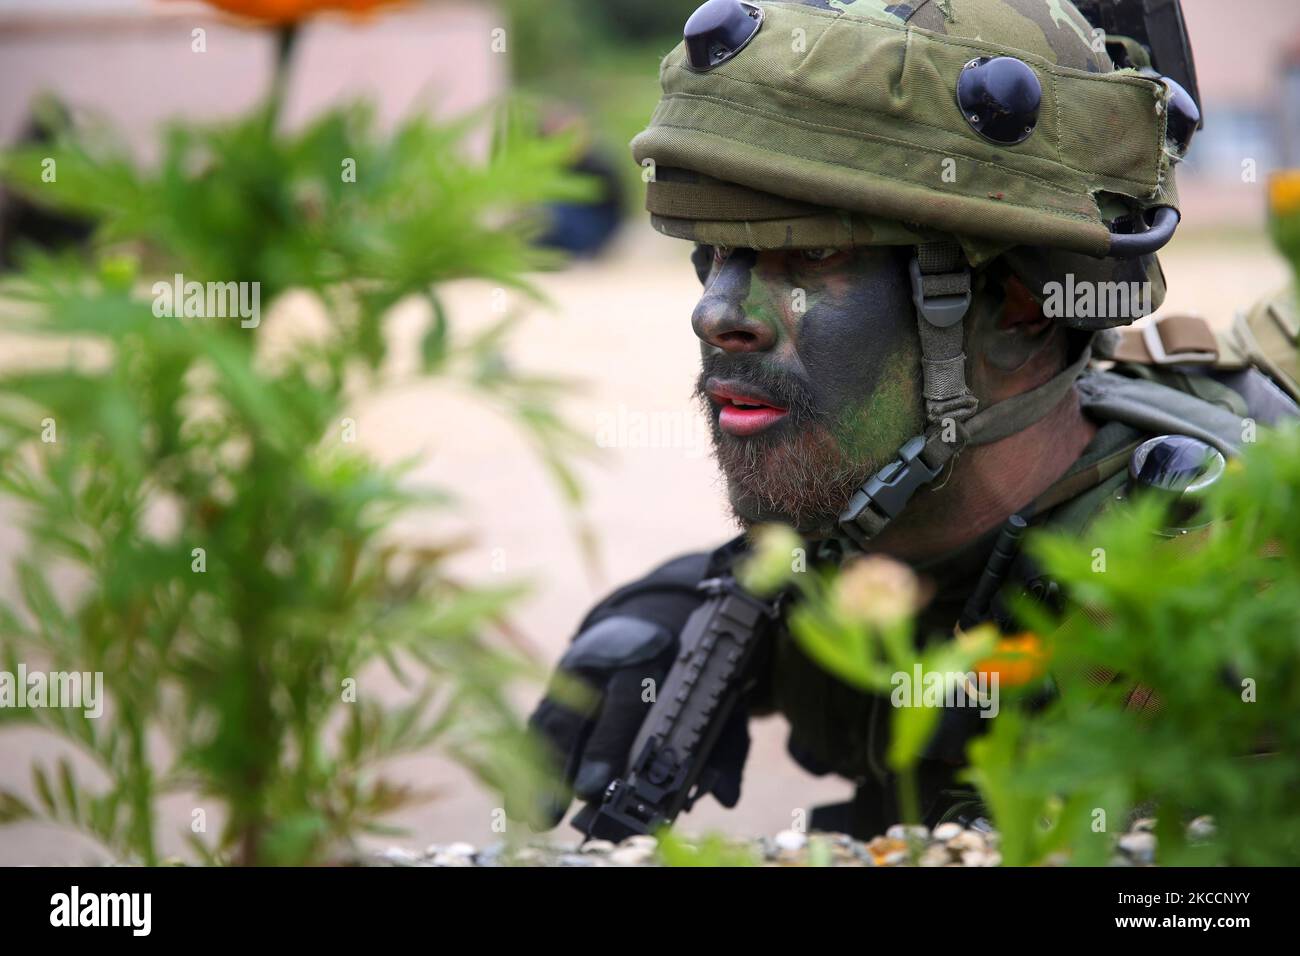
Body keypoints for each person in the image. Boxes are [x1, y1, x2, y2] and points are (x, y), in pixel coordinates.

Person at [515, 0, 1300, 839]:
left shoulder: (1218, 612)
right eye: (714, 255)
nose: (716, 315)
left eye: (813, 256)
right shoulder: (874, 522)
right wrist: (693, 598)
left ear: (1021, 308)